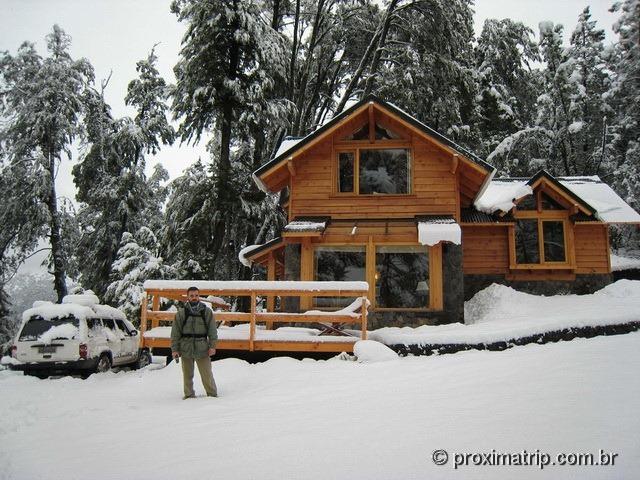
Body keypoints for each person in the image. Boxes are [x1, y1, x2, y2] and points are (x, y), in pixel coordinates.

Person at [171, 286, 218, 399]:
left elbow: (212, 330)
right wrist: (175, 349)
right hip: (186, 347)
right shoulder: (181, 314)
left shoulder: (207, 312)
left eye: (196, 295)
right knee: (187, 375)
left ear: (199, 296)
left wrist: (212, 346)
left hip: (202, 346)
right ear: (187, 297)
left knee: (206, 374)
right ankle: (189, 395)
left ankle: (212, 395)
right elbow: (175, 333)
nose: (194, 298)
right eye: (192, 296)